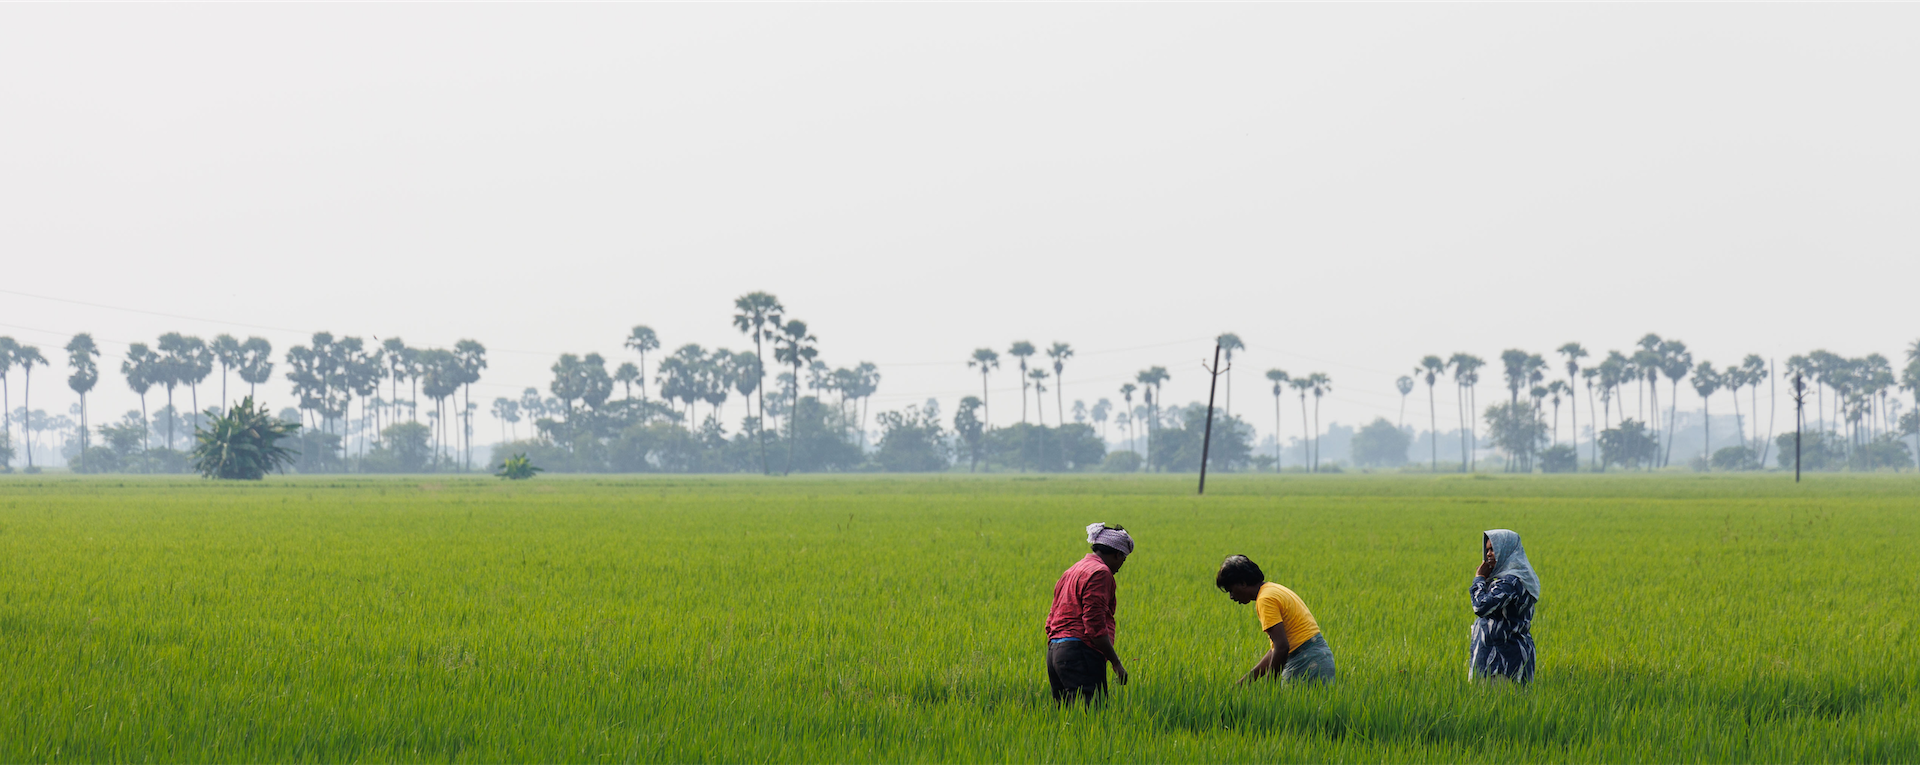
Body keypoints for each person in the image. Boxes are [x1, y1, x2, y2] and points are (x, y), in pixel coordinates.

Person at [1044, 522, 1133, 703]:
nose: (1120, 567)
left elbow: (1051, 617)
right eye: (1123, 560)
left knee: (1066, 718)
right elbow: (1094, 625)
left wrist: (1059, 648)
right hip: (1081, 651)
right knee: (1093, 717)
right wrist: (1115, 662)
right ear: (1118, 554)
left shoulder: (1071, 570)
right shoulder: (1101, 573)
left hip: (1055, 652)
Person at [1215, 554, 1335, 684]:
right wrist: (1246, 681)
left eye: (1231, 590)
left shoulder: (1265, 600)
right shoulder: (1273, 589)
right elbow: (1276, 649)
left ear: (1243, 583)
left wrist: (1270, 687)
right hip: (1319, 658)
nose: (1231, 596)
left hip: (1305, 662)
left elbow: (1282, 647)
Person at [1469, 529, 1540, 684]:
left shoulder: (1509, 582)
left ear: (1506, 550)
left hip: (1501, 664)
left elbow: (1481, 606)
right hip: (1512, 657)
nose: (1488, 554)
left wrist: (1479, 579)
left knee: (1500, 705)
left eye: (1493, 549)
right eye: (1487, 549)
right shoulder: (1520, 578)